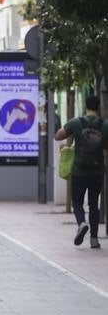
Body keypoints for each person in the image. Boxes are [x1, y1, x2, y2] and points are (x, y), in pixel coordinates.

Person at [55, 94, 108, 248]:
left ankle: (81, 223)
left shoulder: (76, 122)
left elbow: (58, 136)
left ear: (86, 105)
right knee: (93, 204)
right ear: (98, 107)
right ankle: (94, 239)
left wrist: (69, 134)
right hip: (97, 171)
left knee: (77, 202)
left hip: (79, 170)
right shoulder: (104, 125)